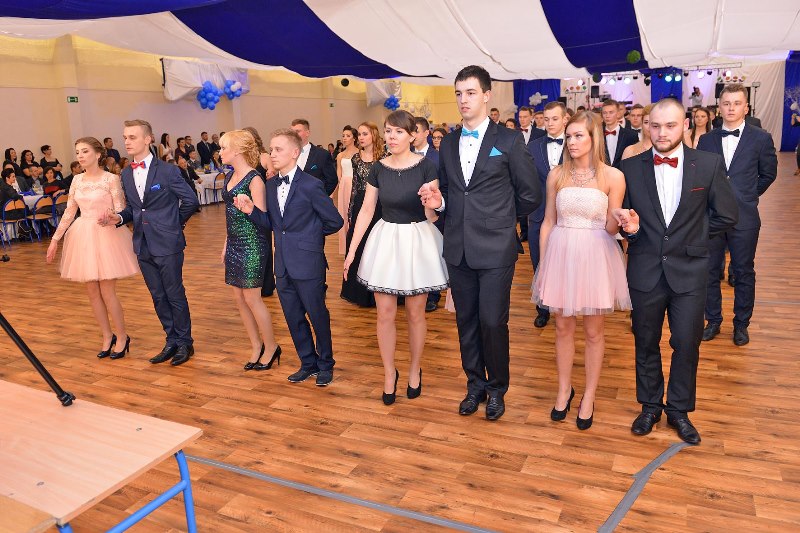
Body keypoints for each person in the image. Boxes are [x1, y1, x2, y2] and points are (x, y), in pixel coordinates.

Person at [419, 65, 541, 421]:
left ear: (486, 95)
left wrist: (500, 220)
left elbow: (530, 194)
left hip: (496, 247)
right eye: (459, 93)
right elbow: (449, 191)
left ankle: (497, 388)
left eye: (470, 93)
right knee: (466, 321)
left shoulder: (509, 140)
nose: (464, 100)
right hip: (458, 246)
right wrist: (439, 203)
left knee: (492, 321)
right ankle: (474, 385)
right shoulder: (449, 142)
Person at [616, 98, 738, 444]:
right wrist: (631, 231)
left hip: (690, 270)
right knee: (645, 341)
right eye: (655, 126)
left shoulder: (708, 164)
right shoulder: (630, 167)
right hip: (645, 270)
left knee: (686, 343)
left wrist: (694, 237)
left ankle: (679, 410)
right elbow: (625, 221)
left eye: (670, 125)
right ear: (647, 126)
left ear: (685, 125)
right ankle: (650, 406)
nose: (661, 133)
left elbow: (728, 215)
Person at [532, 110, 630, 430]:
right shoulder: (556, 175)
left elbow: (612, 228)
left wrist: (621, 221)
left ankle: (589, 395)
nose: (571, 142)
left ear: (593, 138)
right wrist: (543, 265)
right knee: (562, 328)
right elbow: (548, 221)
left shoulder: (613, 177)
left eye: (578, 136)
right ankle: (564, 389)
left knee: (593, 331)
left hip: (595, 255)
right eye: (568, 136)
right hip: (560, 254)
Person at [343, 111, 447, 405]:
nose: (392, 136)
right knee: (385, 314)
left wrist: (433, 203)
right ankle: (390, 373)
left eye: (399, 131)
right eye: (388, 131)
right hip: (386, 240)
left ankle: (415, 369)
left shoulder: (426, 166)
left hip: (418, 240)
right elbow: (367, 210)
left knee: (415, 314)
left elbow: (431, 213)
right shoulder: (378, 168)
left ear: (412, 135)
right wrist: (352, 251)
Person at [234, 128, 343, 387]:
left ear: (295, 153)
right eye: (271, 149)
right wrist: (251, 211)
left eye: (278, 149)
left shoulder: (311, 185)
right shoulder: (271, 185)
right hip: (282, 264)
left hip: (308, 262)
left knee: (317, 315)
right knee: (293, 317)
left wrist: (308, 238)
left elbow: (334, 221)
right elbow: (273, 224)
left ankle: (325, 364)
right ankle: (307, 363)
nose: (272, 154)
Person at [100, 119, 200, 367]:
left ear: (148, 139)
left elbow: (190, 201)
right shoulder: (126, 173)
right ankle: (171, 340)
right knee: (157, 295)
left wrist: (174, 224)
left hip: (167, 242)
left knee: (174, 293)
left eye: (132, 137)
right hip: (143, 243)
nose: (127, 141)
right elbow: (135, 209)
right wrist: (118, 218)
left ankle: (185, 342)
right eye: (125, 137)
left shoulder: (167, 171)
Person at [697, 84, 778, 346]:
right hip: (712, 216)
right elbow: (700, 175)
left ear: (746, 107)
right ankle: (713, 320)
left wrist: (748, 195)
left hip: (745, 216)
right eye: (726, 103)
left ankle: (741, 324)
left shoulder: (761, 138)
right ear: (719, 107)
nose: (731, 108)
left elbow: (768, 173)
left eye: (736, 103)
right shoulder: (707, 140)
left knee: (743, 271)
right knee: (709, 271)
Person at [46, 136, 139, 360]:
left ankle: (122, 336)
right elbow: (70, 212)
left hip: (107, 234)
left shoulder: (111, 179)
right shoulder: (76, 180)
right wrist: (55, 239)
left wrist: (111, 216)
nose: (80, 155)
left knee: (107, 291)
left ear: (98, 154)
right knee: (92, 292)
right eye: (78, 151)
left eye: (85, 151)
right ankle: (107, 336)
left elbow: (120, 209)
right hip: (83, 235)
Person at [219, 130, 281, 371]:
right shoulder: (229, 176)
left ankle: (271, 346)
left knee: (252, 299)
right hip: (234, 243)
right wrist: (226, 242)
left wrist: (249, 209)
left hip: (253, 243)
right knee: (239, 299)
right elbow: (229, 215)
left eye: (224, 148)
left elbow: (265, 222)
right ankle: (256, 346)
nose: (220, 152)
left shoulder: (255, 180)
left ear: (237, 151)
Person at [527, 101, 569, 329]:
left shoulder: (575, 144)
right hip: (539, 214)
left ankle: (566, 305)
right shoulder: (533, 146)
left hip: (568, 215)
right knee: (540, 262)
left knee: (566, 263)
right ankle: (542, 308)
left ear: (565, 119)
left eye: (555, 119)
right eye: (546, 119)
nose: (550, 123)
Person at [341, 122, 384, 308]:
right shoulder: (356, 158)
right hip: (360, 204)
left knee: (378, 247)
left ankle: (380, 291)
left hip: (380, 205)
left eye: (365, 134)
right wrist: (351, 212)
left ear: (374, 134)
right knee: (357, 244)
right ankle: (357, 292)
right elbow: (354, 188)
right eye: (359, 134)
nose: (361, 137)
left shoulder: (384, 157)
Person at [410, 117, 443, 313]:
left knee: (432, 253)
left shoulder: (437, 157)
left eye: (416, 130)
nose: (412, 134)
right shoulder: (404, 154)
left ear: (426, 133)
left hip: (431, 212)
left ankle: (433, 294)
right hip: (409, 212)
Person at [242, 126, 276, 298]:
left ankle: (267, 284)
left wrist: (272, 175)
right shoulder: (243, 159)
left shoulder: (264, 157)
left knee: (264, 243)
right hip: (244, 207)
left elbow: (274, 177)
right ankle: (251, 282)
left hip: (262, 205)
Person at [290, 119, 338, 196]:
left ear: (307, 133)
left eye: (297, 131)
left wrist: (319, 196)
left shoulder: (322, 155)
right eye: (292, 132)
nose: (294, 135)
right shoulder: (286, 154)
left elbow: (332, 180)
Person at [336, 126, 359, 256]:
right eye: (343, 135)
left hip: (355, 184)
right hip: (344, 186)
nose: (344, 138)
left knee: (355, 213)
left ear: (354, 138)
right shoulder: (340, 155)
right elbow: (339, 174)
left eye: (348, 136)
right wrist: (340, 187)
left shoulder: (360, 154)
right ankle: (345, 247)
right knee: (344, 214)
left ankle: (356, 245)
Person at [601, 99, 639, 169]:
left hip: (624, 173)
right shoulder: (596, 135)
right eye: (604, 113)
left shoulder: (631, 135)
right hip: (602, 173)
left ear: (618, 113)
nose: (607, 116)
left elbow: (635, 160)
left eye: (611, 112)